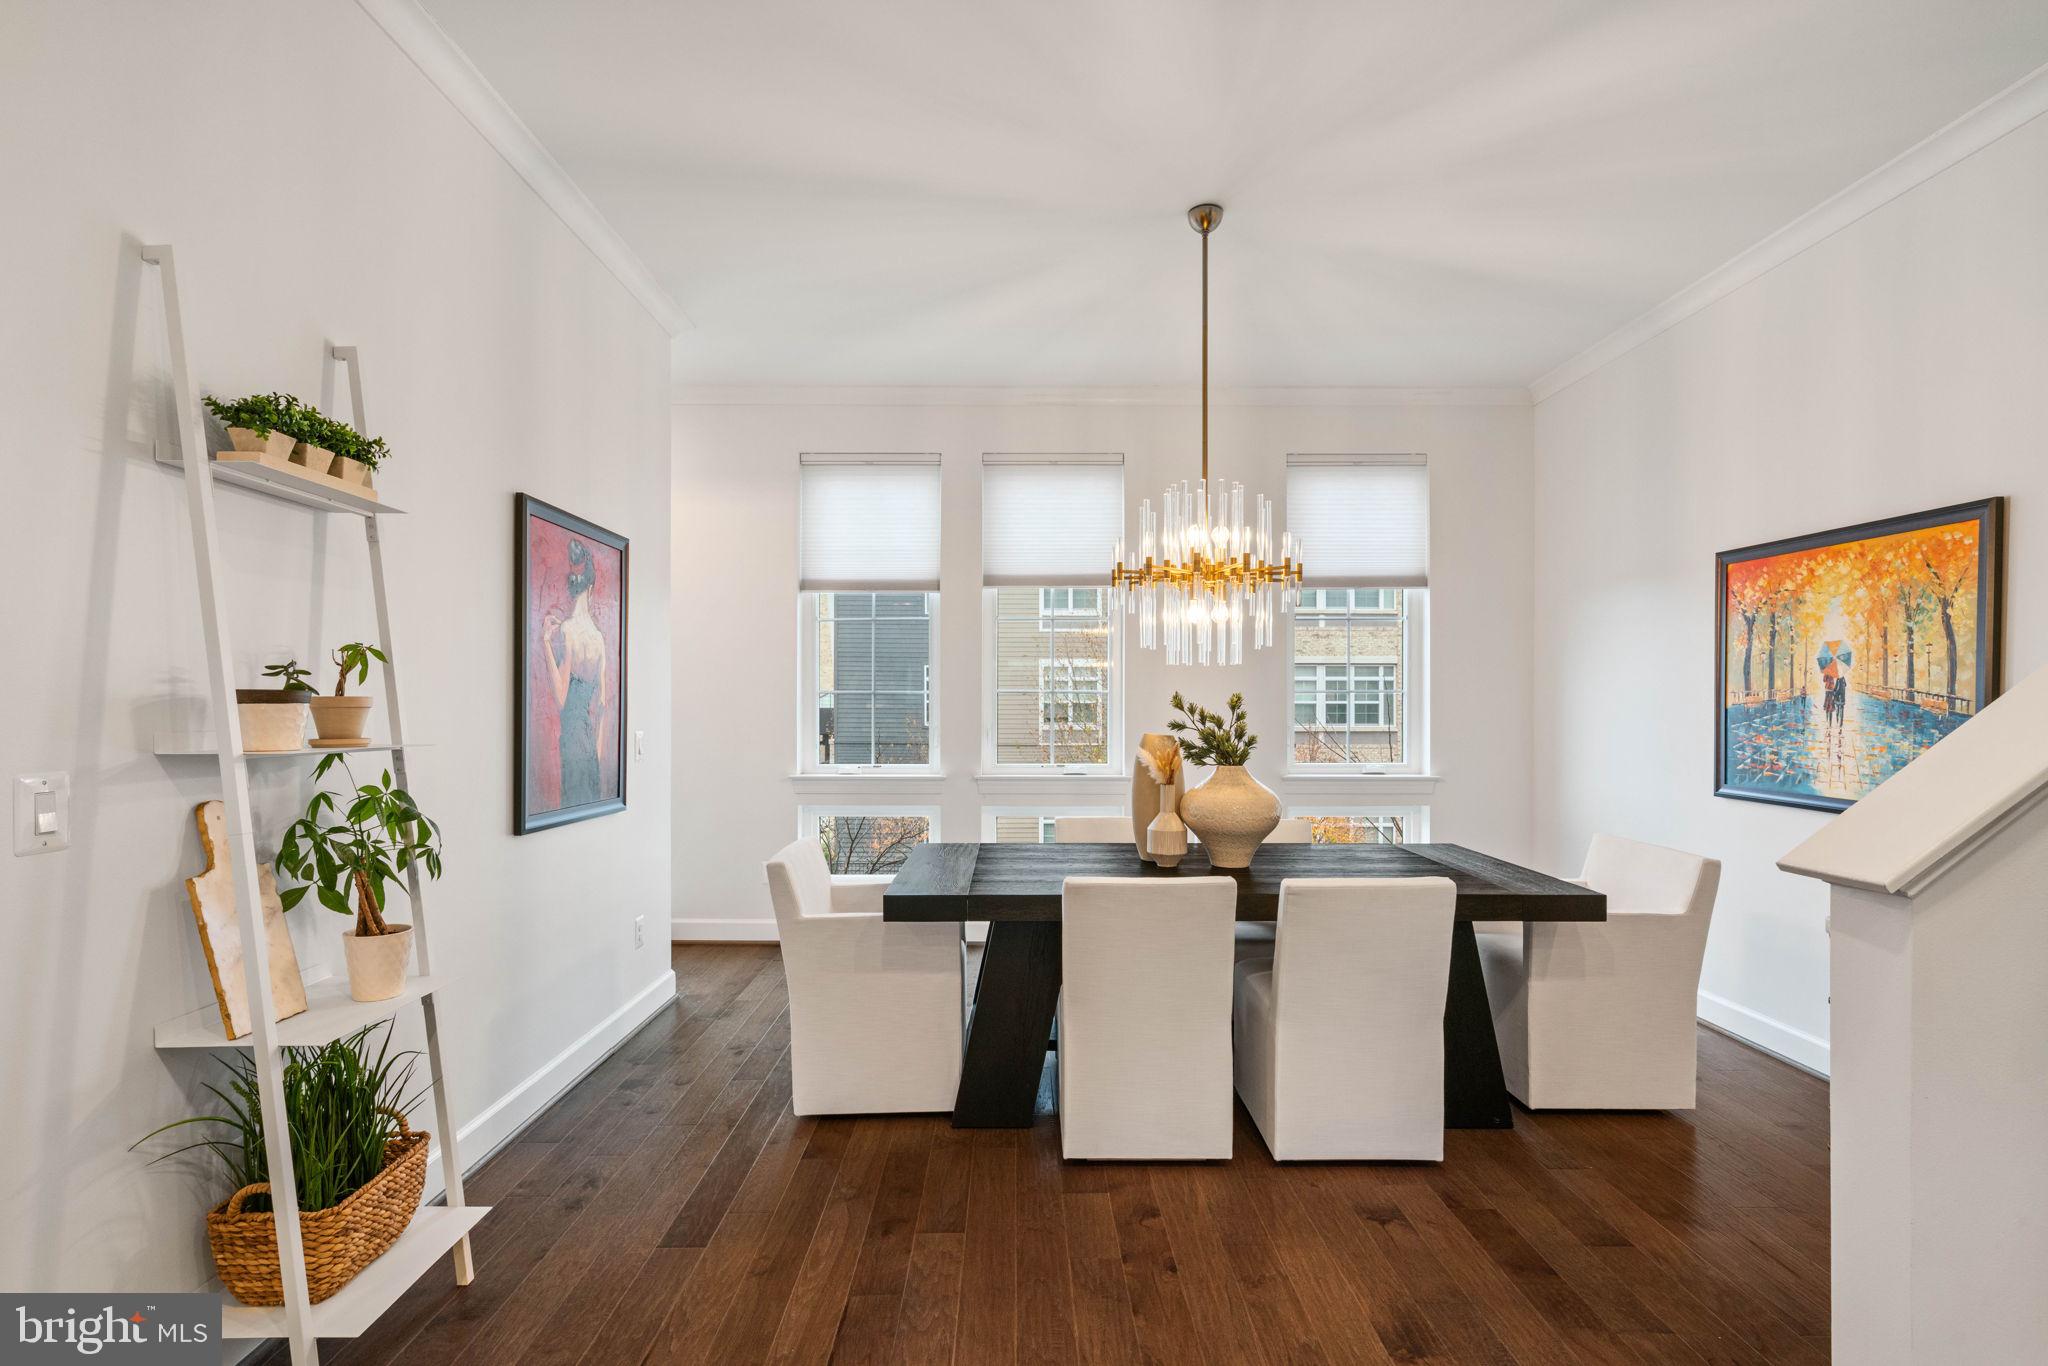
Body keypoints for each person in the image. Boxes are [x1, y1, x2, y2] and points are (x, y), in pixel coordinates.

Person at [542, 539, 611, 807]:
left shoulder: (567, 630)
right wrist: (597, 754)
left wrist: (546, 643)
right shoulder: (599, 639)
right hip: (589, 743)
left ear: (571, 589)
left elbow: (561, 698)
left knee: (570, 808)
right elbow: (602, 704)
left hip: (572, 739)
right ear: (591, 588)